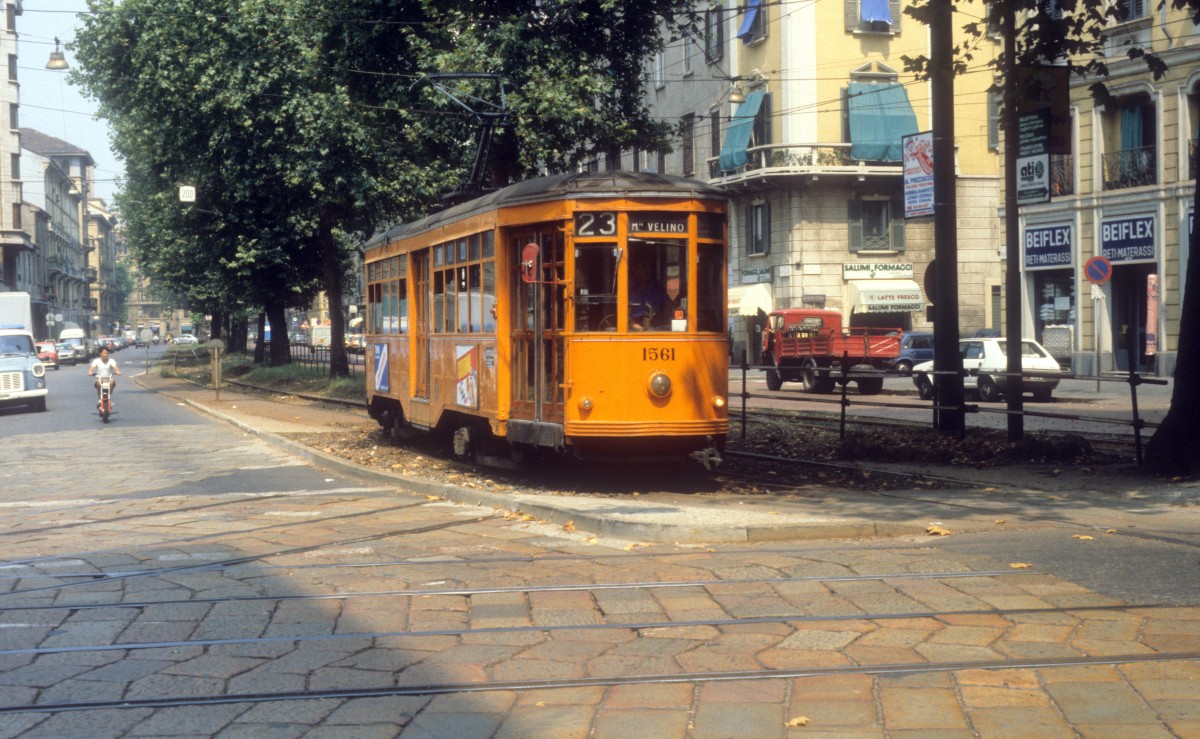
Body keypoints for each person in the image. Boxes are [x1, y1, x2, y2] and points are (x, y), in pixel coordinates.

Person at [628, 257, 672, 331]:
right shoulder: (627, 287)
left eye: (649, 267)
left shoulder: (656, 286)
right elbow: (622, 313)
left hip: (655, 324)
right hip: (632, 325)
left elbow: (669, 304)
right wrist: (635, 326)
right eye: (643, 267)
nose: (647, 270)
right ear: (634, 269)